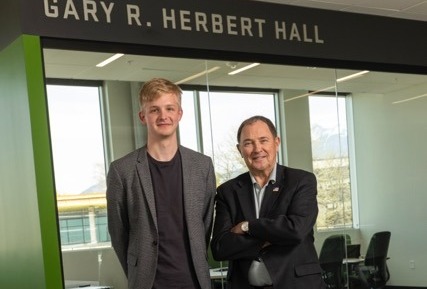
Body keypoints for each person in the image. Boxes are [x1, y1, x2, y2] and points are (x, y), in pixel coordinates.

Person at [107, 78, 217, 289]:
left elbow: (204, 225)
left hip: (195, 282)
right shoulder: (122, 170)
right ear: (143, 116)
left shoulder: (202, 166)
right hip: (148, 283)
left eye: (169, 108)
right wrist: (138, 269)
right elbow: (118, 234)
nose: (163, 116)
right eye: (154, 110)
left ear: (179, 114)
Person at [211, 115, 326, 289]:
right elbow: (220, 247)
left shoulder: (301, 181)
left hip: (297, 284)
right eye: (248, 143)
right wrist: (273, 235)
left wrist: (247, 227)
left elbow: (296, 230)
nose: (257, 149)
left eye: (263, 140)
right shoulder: (228, 191)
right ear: (239, 149)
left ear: (276, 142)